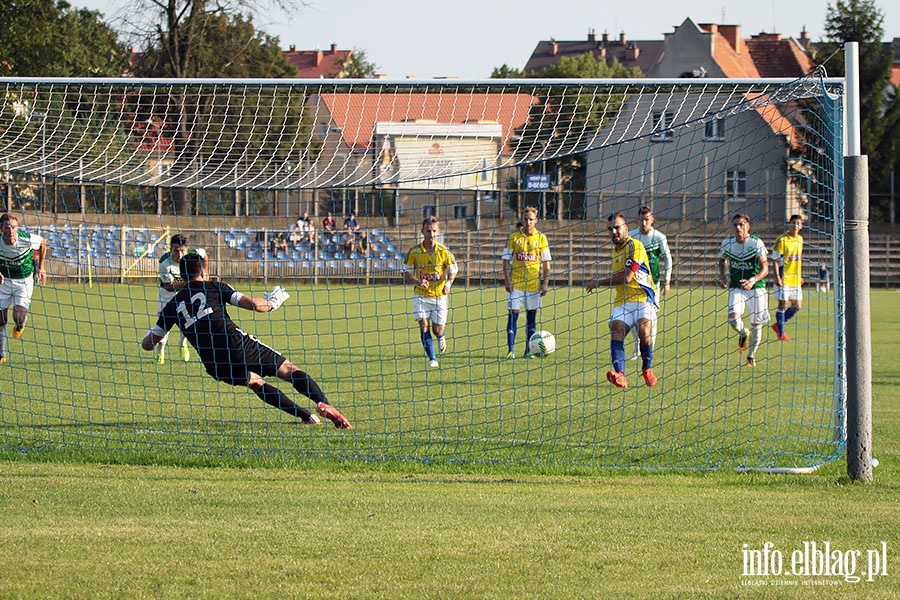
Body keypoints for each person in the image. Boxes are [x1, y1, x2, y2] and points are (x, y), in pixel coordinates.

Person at [141, 252, 352, 429]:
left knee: (256, 382)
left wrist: (149, 336)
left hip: (214, 363)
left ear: (182, 274)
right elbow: (253, 304)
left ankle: (306, 416)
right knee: (288, 370)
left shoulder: (173, 305)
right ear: (203, 271)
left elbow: (149, 343)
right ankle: (322, 402)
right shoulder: (215, 287)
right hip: (236, 344)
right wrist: (272, 303)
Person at [586, 213, 658, 388]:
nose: (614, 232)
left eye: (617, 227)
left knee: (644, 331)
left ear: (626, 228)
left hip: (643, 298)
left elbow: (627, 277)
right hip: (623, 301)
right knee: (616, 329)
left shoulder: (635, 245)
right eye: (610, 229)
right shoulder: (615, 250)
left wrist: (598, 282)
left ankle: (647, 369)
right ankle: (620, 374)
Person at [403, 216, 459, 368]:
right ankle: (432, 358)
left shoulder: (444, 251)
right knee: (423, 325)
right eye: (428, 231)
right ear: (422, 232)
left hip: (440, 296)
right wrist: (417, 281)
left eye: (434, 231)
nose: (431, 235)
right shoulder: (414, 252)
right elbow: (406, 272)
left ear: (438, 232)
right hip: (420, 295)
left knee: (437, 329)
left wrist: (448, 283)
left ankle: (441, 335)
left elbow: (454, 269)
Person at [718, 213, 769, 367]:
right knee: (733, 319)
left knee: (757, 326)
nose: (738, 228)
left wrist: (752, 280)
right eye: (735, 225)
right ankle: (742, 332)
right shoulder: (727, 244)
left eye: (741, 224)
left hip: (757, 289)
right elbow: (721, 260)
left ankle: (751, 356)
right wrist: (723, 276)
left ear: (748, 226)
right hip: (736, 287)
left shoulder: (756, 243)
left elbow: (765, 268)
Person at [502, 206, 551, 359]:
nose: (528, 222)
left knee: (531, 319)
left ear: (536, 221)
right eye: (526, 219)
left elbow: (546, 264)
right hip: (516, 285)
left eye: (531, 219)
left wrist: (545, 283)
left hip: (533, 286)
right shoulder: (514, 237)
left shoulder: (541, 238)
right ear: (522, 220)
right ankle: (511, 350)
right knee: (513, 317)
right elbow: (505, 261)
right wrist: (507, 281)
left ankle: (528, 350)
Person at [0, 213, 47, 364]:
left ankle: (21, 323)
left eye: (13, 227)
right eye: (7, 228)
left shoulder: (26, 238)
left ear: (17, 228)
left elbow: (43, 243)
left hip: (24, 281)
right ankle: (1, 354)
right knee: (0, 319)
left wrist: (41, 268)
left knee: (17, 317)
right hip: (4, 282)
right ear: (2, 229)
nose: (11, 231)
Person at [154, 234, 208, 364]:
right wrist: (193, 282)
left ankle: (182, 344)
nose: (179, 255)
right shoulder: (165, 263)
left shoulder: (193, 256)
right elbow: (169, 287)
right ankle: (160, 350)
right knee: (164, 328)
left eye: (182, 251)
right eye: (176, 251)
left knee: (188, 323)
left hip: (185, 296)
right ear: (170, 249)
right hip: (168, 297)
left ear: (187, 249)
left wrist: (205, 272)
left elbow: (204, 254)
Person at [627, 206, 672, 359]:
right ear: (637, 220)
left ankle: (649, 348)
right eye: (641, 219)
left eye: (647, 219)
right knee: (632, 318)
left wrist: (667, 280)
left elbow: (668, 258)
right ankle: (637, 347)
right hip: (634, 284)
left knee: (650, 317)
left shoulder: (659, 237)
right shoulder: (631, 236)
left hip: (652, 285)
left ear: (652, 220)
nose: (644, 222)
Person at [770, 214, 804, 341]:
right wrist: (777, 276)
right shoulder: (782, 240)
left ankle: (778, 325)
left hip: (795, 279)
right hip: (784, 279)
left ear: (801, 226)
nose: (795, 225)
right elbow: (774, 260)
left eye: (798, 223)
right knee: (782, 305)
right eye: (793, 222)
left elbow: (798, 259)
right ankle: (781, 333)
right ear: (789, 224)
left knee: (797, 306)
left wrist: (800, 276)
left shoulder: (800, 239)